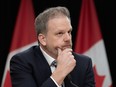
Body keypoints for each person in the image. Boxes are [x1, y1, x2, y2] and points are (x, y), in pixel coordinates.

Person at [10, 6, 95, 87]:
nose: (68, 38)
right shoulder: (22, 62)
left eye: (69, 32)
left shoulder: (84, 63)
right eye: (60, 33)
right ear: (43, 39)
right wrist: (60, 73)